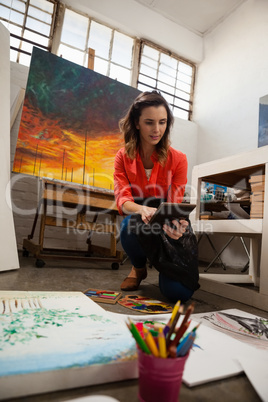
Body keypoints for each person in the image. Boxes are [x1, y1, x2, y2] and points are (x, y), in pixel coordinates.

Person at [113, 90, 199, 303]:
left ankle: (164, 268)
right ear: (136, 123)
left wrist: (176, 224)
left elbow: (175, 201)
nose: (157, 129)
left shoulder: (178, 159)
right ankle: (138, 269)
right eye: (150, 122)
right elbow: (123, 199)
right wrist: (141, 209)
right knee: (129, 226)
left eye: (162, 122)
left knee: (178, 294)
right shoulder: (123, 156)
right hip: (139, 217)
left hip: (168, 218)